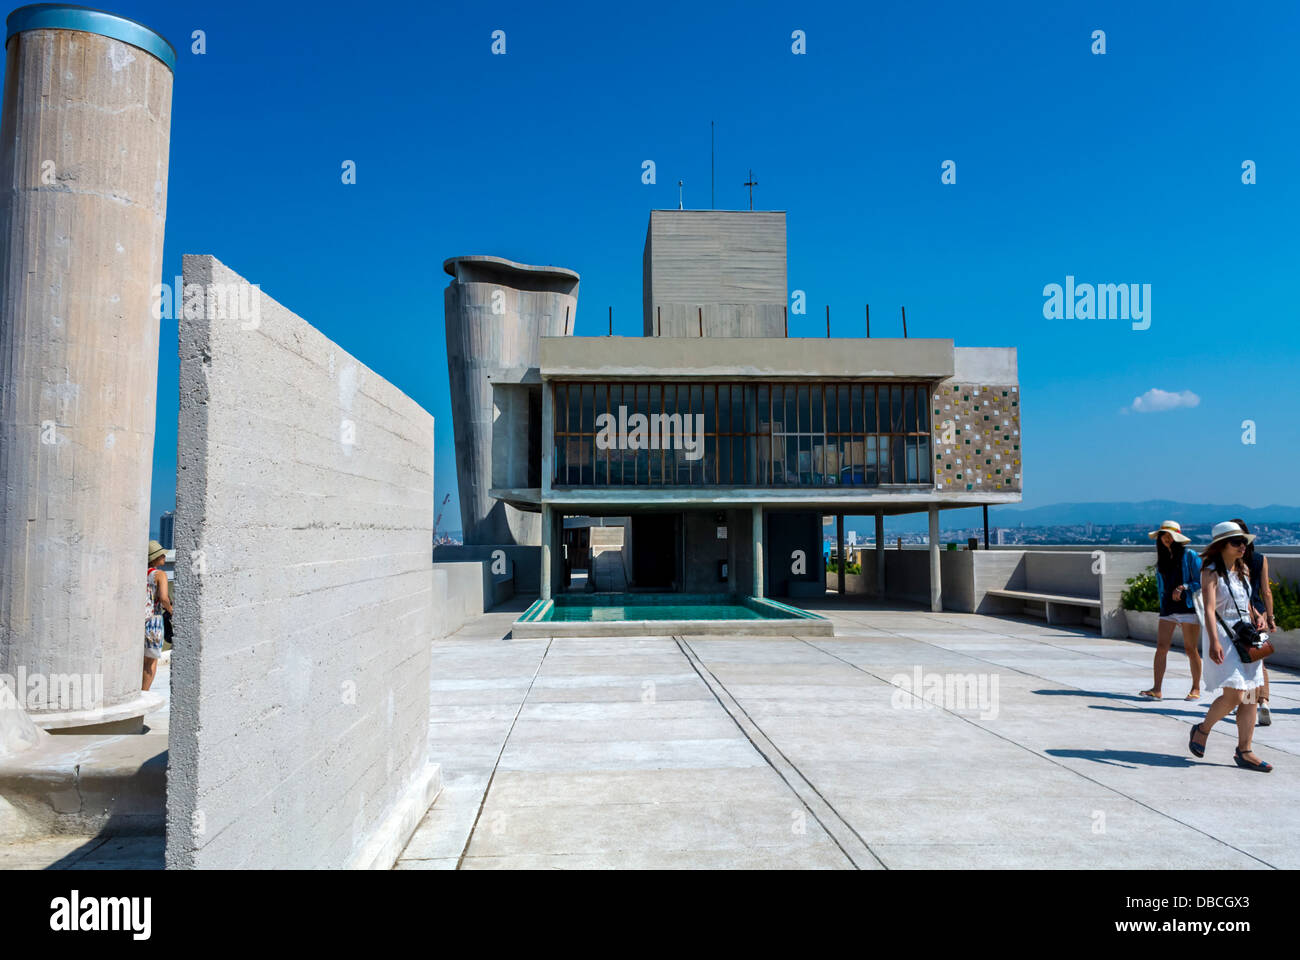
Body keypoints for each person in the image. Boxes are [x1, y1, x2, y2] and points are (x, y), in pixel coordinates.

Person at [1188, 521, 1272, 772]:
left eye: (1244, 542)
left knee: (1250, 695)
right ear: (1222, 545)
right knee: (1234, 694)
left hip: (1246, 635)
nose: (1243, 546)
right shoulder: (1210, 571)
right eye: (1237, 542)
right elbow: (1210, 609)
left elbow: (1244, 601)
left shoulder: (1243, 569)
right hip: (1224, 636)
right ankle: (1202, 730)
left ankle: (1245, 750)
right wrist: (1213, 641)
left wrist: (1257, 614)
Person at [1139, 520, 1202, 700]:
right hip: (1168, 608)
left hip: (1187, 607)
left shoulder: (1190, 555)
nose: (1166, 539)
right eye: (1163, 536)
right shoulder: (1162, 559)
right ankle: (1157, 689)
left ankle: (1196, 688)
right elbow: (1162, 586)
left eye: (1169, 536)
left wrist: (1184, 587)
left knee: (1191, 650)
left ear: (1177, 538)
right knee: (1161, 647)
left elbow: (1201, 581)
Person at [1232, 519, 1273, 726]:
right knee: (1260, 659)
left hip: (1244, 615)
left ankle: (1245, 703)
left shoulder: (1232, 562)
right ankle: (1263, 701)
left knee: (1248, 662)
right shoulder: (1260, 559)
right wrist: (1269, 617)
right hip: (1260, 614)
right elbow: (1266, 591)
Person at [144, 540, 171, 691]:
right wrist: (172, 611)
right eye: (161, 555)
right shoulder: (160, 575)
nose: (164, 557)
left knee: (142, 661)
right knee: (151, 662)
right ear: (155, 558)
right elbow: (164, 598)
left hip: (139, 620)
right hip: (154, 621)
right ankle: (145, 694)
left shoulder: (142, 572)